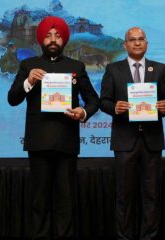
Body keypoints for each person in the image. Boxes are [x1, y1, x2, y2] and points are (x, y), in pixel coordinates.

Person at [7, 16, 99, 240]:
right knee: (39, 199)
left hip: (66, 141)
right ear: (41, 40)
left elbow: (93, 100)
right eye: (48, 35)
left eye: (57, 35)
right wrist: (28, 81)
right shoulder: (28, 66)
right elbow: (12, 99)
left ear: (64, 39)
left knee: (66, 199)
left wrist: (83, 112)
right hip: (39, 142)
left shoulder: (75, 66)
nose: (53, 39)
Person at [100, 27, 165, 240]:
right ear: (125, 45)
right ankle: (124, 237)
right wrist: (115, 107)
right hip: (125, 141)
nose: (137, 43)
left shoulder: (159, 69)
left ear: (147, 43)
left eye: (141, 39)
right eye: (132, 40)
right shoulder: (113, 69)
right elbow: (103, 101)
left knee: (151, 194)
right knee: (124, 195)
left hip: (152, 140)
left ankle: (148, 237)